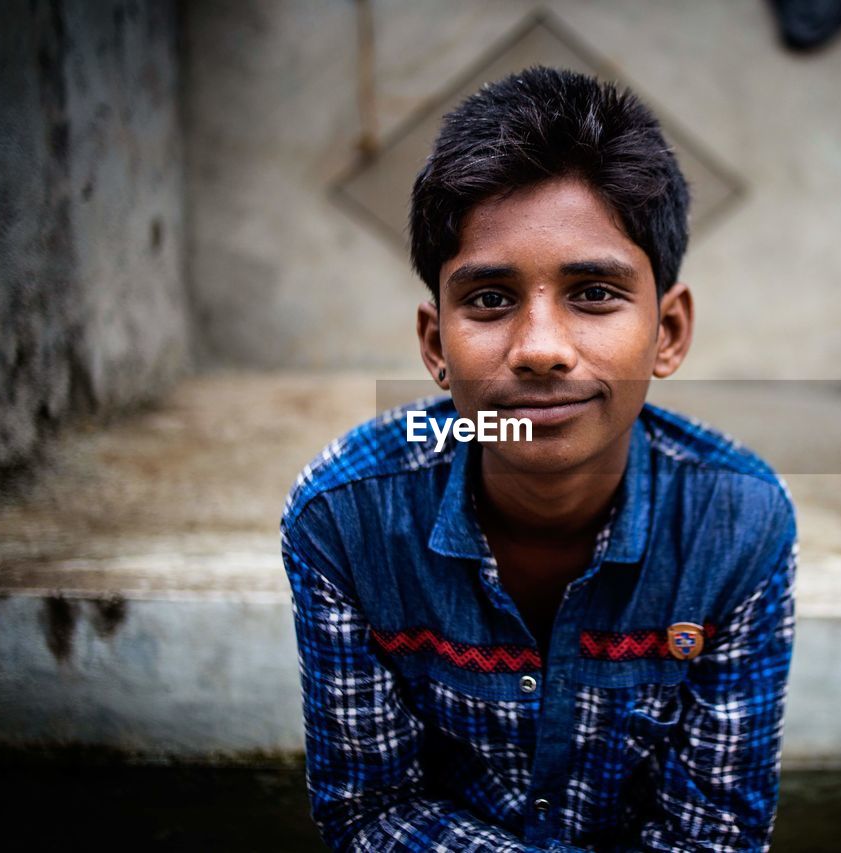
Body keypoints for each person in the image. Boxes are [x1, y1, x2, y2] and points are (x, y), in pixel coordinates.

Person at [281, 65, 798, 852]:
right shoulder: (347, 518)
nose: (541, 351)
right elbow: (373, 811)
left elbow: (714, 835)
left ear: (668, 332)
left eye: (594, 293)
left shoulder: (738, 527)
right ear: (435, 345)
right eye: (489, 299)